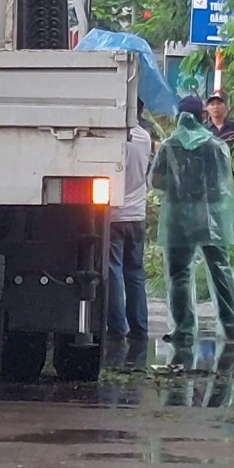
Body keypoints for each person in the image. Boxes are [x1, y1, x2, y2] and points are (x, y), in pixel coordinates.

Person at [151, 93, 234, 348]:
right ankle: (231, 327)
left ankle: (182, 330)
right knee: (220, 269)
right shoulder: (215, 146)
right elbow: (223, 183)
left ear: (179, 117)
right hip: (209, 218)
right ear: (201, 116)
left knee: (179, 274)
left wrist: (177, 188)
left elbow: (155, 181)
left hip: (177, 219)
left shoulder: (169, 146)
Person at [107, 102, 152, 346]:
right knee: (135, 273)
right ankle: (139, 328)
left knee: (114, 270)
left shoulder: (115, 137)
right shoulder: (145, 137)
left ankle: (116, 327)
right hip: (137, 215)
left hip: (115, 215)